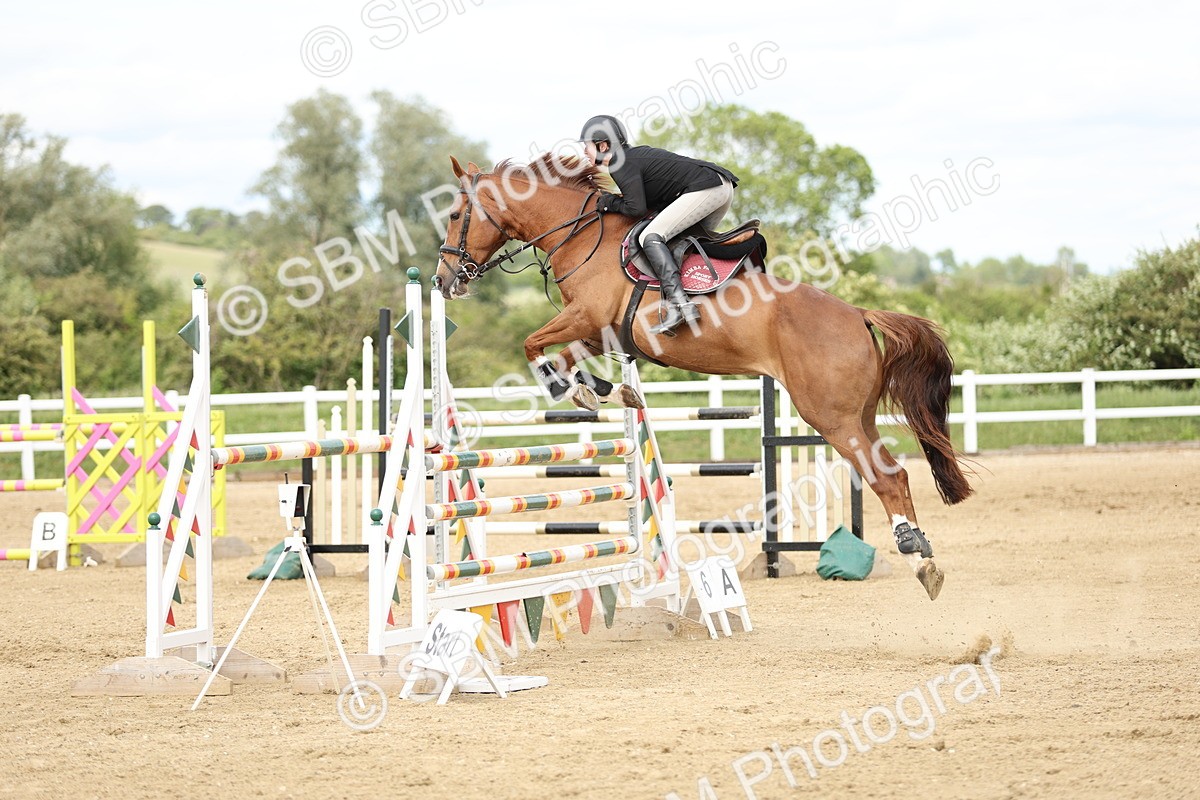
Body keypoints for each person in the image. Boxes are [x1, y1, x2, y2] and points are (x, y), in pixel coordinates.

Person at [579, 114, 739, 334]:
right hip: (718, 187)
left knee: (650, 237)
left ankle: (681, 306)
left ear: (603, 145)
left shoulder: (620, 163)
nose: (584, 152)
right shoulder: (629, 158)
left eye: (586, 146)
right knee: (677, 243)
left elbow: (635, 209)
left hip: (708, 188)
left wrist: (609, 203)